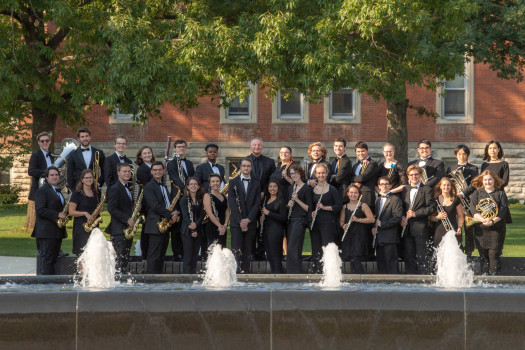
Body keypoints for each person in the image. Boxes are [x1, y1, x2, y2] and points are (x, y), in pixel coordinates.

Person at [470, 170, 509, 275]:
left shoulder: (500, 193)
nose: (488, 182)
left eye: (490, 179)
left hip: (496, 228)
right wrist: (483, 220)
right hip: (481, 228)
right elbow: (473, 209)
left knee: (493, 254)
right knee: (483, 255)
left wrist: (492, 221)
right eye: (485, 180)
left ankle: (494, 279)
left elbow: (503, 210)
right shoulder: (477, 193)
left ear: (494, 180)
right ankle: (484, 279)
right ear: (482, 181)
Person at [143, 161, 179, 274]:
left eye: (160, 170)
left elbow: (167, 203)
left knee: (161, 255)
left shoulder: (163, 186)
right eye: (155, 170)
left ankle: (158, 281)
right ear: (151, 172)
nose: (157, 172)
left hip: (164, 224)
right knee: (154, 255)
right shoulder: (149, 186)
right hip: (155, 225)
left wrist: (174, 212)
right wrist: (170, 214)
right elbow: (154, 206)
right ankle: (150, 280)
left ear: (164, 171)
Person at [401, 164, 435, 274]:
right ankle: (410, 280)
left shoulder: (427, 189)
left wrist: (415, 213)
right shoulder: (405, 189)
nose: (414, 177)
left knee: (422, 255)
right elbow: (402, 206)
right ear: (408, 176)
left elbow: (431, 207)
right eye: (411, 175)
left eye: (416, 174)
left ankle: (423, 278)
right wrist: (402, 217)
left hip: (420, 226)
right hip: (407, 227)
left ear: (420, 175)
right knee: (408, 255)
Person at [228, 157, 261, 273]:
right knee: (236, 250)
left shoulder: (257, 183)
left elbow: (257, 204)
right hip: (236, 223)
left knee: (248, 251)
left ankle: (246, 273)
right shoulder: (232, 182)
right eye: (244, 166)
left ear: (251, 168)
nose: (246, 168)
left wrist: (248, 220)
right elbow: (232, 203)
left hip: (250, 223)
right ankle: (236, 274)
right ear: (240, 167)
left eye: (248, 166)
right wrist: (241, 221)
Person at [33, 166, 67, 275]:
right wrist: (57, 214)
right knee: (47, 260)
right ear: (46, 177)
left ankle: (52, 286)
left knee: (53, 261)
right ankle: (45, 287)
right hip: (46, 232)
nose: (54, 177)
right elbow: (40, 210)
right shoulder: (42, 190)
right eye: (52, 175)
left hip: (56, 231)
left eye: (56, 175)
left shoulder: (57, 191)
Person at [309, 163, 343, 273]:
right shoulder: (311, 189)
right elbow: (309, 206)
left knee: (327, 247)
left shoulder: (332, 189)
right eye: (319, 173)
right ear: (315, 174)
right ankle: (317, 271)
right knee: (316, 248)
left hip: (328, 222)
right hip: (315, 223)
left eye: (323, 173)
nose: (321, 175)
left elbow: (339, 206)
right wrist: (312, 213)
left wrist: (325, 207)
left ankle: (328, 272)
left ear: (327, 173)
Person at [448, 144, 479, 257]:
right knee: (457, 226)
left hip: (469, 201)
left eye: (464, 154)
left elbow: (474, 184)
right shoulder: (450, 169)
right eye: (459, 154)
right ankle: (459, 250)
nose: (462, 156)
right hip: (456, 202)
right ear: (456, 155)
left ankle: (470, 252)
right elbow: (449, 184)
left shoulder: (473, 168)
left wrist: (462, 193)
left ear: (467, 155)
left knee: (469, 228)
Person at [166, 140, 194, 260]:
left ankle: (186, 252)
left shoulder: (189, 163)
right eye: (179, 147)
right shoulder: (171, 163)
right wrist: (186, 189)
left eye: (183, 147)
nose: (181, 148)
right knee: (176, 225)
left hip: (189, 196)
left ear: (185, 149)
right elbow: (175, 178)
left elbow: (193, 177)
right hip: (177, 196)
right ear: (174, 149)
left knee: (187, 223)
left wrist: (192, 189)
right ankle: (176, 253)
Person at [106, 163, 134, 273]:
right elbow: (111, 209)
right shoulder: (114, 188)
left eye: (128, 171)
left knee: (125, 260)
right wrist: (127, 219)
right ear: (118, 173)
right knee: (119, 260)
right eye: (124, 171)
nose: (127, 173)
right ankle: (118, 285)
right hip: (119, 230)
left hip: (127, 230)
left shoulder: (128, 188)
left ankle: (123, 286)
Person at [340, 185, 375, 273]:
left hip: (359, 235)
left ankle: (360, 280)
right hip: (349, 235)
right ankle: (355, 281)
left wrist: (357, 219)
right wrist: (343, 225)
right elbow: (341, 221)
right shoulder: (345, 207)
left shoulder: (363, 205)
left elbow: (371, 219)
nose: (353, 194)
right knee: (351, 259)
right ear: (347, 194)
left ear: (359, 194)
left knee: (356, 258)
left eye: (356, 193)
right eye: (351, 192)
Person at [372, 177, 403, 274]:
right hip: (379, 236)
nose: (384, 186)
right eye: (382, 184)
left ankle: (394, 287)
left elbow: (397, 218)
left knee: (391, 264)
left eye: (386, 184)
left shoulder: (395, 199)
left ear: (390, 186)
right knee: (381, 264)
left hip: (390, 237)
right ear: (379, 186)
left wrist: (382, 224)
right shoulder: (377, 200)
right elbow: (376, 217)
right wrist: (374, 227)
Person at [286, 164, 312, 274]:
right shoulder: (290, 188)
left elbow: (309, 208)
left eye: (296, 173)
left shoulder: (307, 189)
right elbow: (287, 205)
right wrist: (289, 204)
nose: (294, 175)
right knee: (293, 247)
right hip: (290, 220)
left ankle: (293, 272)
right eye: (292, 173)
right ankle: (295, 271)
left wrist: (297, 200)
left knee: (293, 246)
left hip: (300, 220)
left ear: (300, 173)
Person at [68, 169, 101, 256]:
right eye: (86, 178)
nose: (89, 179)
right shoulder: (76, 194)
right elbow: (71, 212)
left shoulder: (95, 193)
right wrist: (85, 213)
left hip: (94, 227)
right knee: (82, 256)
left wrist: (100, 209)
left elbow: (96, 208)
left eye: (90, 177)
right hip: (81, 229)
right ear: (82, 179)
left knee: (94, 254)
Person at [26, 132, 54, 231]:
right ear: (38, 142)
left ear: (50, 141)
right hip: (39, 190)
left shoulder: (51, 155)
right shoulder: (36, 155)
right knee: (40, 218)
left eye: (47, 140)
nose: (45, 143)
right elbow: (31, 171)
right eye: (42, 141)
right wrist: (47, 173)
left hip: (50, 190)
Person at [179, 177, 205, 274]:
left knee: (195, 256)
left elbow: (202, 215)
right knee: (188, 256)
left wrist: (196, 225)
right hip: (187, 230)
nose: (193, 186)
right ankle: (186, 276)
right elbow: (185, 216)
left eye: (195, 184)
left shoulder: (200, 199)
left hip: (198, 229)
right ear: (188, 186)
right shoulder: (184, 199)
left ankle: (193, 275)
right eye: (191, 184)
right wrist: (192, 229)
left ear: (198, 186)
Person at [66, 127, 105, 191]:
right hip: (78, 188)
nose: (85, 138)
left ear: (90, 137)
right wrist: (73, 190)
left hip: (94, 187)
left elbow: (104, 171)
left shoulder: (99, 153)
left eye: (87, 136)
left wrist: (99, 183)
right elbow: (70, 174)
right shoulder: (73, 154)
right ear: (78, 139)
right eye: (82, 137)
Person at [261, 180, 287, 273]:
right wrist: (262, 218)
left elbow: (283, 217)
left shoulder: (281, 201)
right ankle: (273, 277)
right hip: (267, 229)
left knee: (276, 256)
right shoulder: (266, 200)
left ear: (278, 188)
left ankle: (278, 278)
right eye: (270, 186)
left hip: (276, 230)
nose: (272, 188)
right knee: (269, 255)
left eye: (274, 186)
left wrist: (269, 213)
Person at [430, 177, 464, 248]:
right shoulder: (435, 199)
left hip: (453, 228)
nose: (446, 187)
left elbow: (460, 215)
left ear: (451, 186)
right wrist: (438, 217)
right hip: (440, 230)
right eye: (444, 185)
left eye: (448, 185)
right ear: (440, 186)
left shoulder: (456, 199)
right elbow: (430, 218)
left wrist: (459, 227)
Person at [135, 146, 155, 260]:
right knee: (146, 230)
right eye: (145, 153)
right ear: (141, 156)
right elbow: (148, 186)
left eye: (149, 152)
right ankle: (145, 255)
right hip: (146, 202)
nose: (147, 155)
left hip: (154, 201)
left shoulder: (154, 166)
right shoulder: (142, 169)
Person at [203, 174, 230, 248]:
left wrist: (225, 225)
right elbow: (209, 213)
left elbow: (227, 212)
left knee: (222, 248)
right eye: (213, 181)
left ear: (220, 182)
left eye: (217, 181)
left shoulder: (224, 196)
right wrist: (219, 226)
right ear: (209, 183)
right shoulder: (207, 196)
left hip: (223, 227)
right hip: (213, 226)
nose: (215, 183)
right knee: (214, 250)